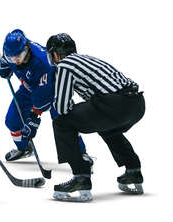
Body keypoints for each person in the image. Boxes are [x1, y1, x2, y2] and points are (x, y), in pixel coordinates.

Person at [46, 33, 145, 202]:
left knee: (62, 123)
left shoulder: (65, 65)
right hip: (136, 104)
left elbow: (62, 108)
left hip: (114, 105)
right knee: (105, 126)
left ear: (55, 54)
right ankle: (133, 171)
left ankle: (81, 177)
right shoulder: (86, 59)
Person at [0, 29, 89, 162]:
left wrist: (34, 116)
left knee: (63, 121)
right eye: (12, 57)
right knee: (12, 120)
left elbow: (44, 96)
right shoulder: (10, 52)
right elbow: (5, 63)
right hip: (29, 88)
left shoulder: (42, 61)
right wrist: (3, 68)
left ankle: (80, 154)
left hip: (55, 90)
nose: (15, 60)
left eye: (19, 56)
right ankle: (24, 148)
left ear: (27, 48)